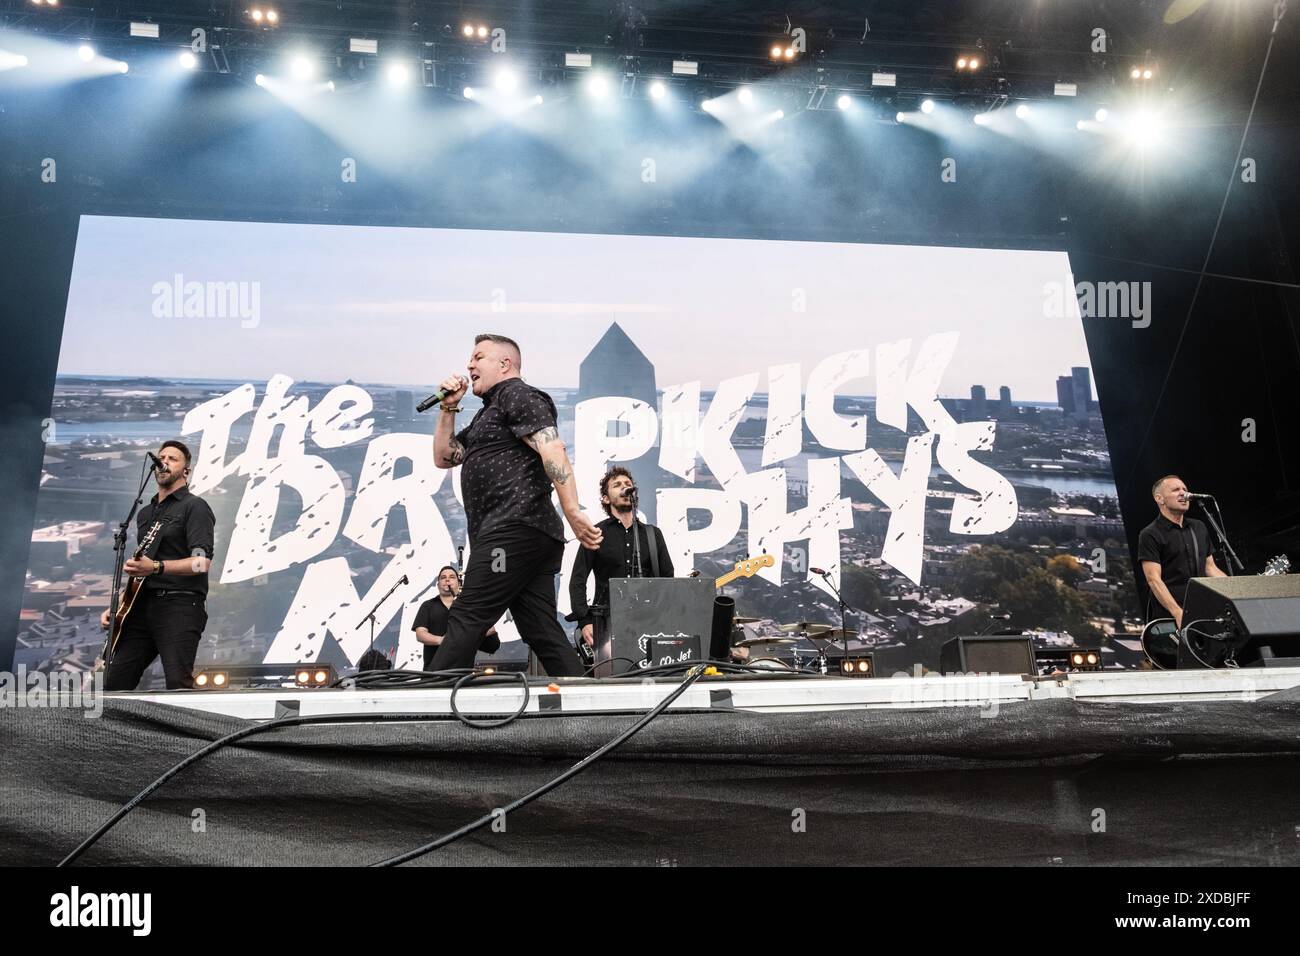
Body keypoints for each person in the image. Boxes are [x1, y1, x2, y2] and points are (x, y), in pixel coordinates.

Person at [428, 334, 602, 675]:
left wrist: (573, 512)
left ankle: (427, 711)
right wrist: (448, 407)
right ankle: (587, 702)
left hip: (512, 530)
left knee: (469, 614)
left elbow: (553, 450)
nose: (469, 365)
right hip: (527, 536)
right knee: (540, 629)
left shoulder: (518, 394)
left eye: (479, 357)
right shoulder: (486, 415)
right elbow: (444, 457)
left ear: (505, 364)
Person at [100, 440, 216, 690]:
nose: (164, 461)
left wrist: (156, 567)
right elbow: (142, 569)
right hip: (141, 608)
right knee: (114, 683)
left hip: (180, 606)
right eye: (161, 457)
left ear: (187, 471)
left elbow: (201, 564)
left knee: (177, 683)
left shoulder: (194, 506)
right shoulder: (145, 514)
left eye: (173, 458)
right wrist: (119, 605)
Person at [568, 466, 674, 654]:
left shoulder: (653, 534)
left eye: (628, 484)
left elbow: (667, 579)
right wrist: (585, 622)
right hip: (607, 623)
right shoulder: (595, 533)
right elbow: (577, 581)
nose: (625, 487)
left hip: (648, 622)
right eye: (617, 485)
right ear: (606, 498)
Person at [1138, 474, 1226, 628]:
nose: (1183, 493)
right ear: (1160, 499)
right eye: (1175, 490)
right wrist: (1177, 612)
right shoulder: (1150, 534)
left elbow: (1210, 568)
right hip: (1170, 617)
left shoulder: (1198, 527)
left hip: (1201, 610)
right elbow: (1153, 579)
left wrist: (1237, 590)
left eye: (1185, 489)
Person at [411, 565, 500, 670]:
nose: (447, 579)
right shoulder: (428, 606)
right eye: (443, 577)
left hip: (462, 673)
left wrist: (466, 637)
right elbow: (420, 634)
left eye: (452, 577)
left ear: (459, 583)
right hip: (433, 672)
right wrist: (442, 641)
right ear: (438, 584)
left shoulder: (470, 606)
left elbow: (490, 629)